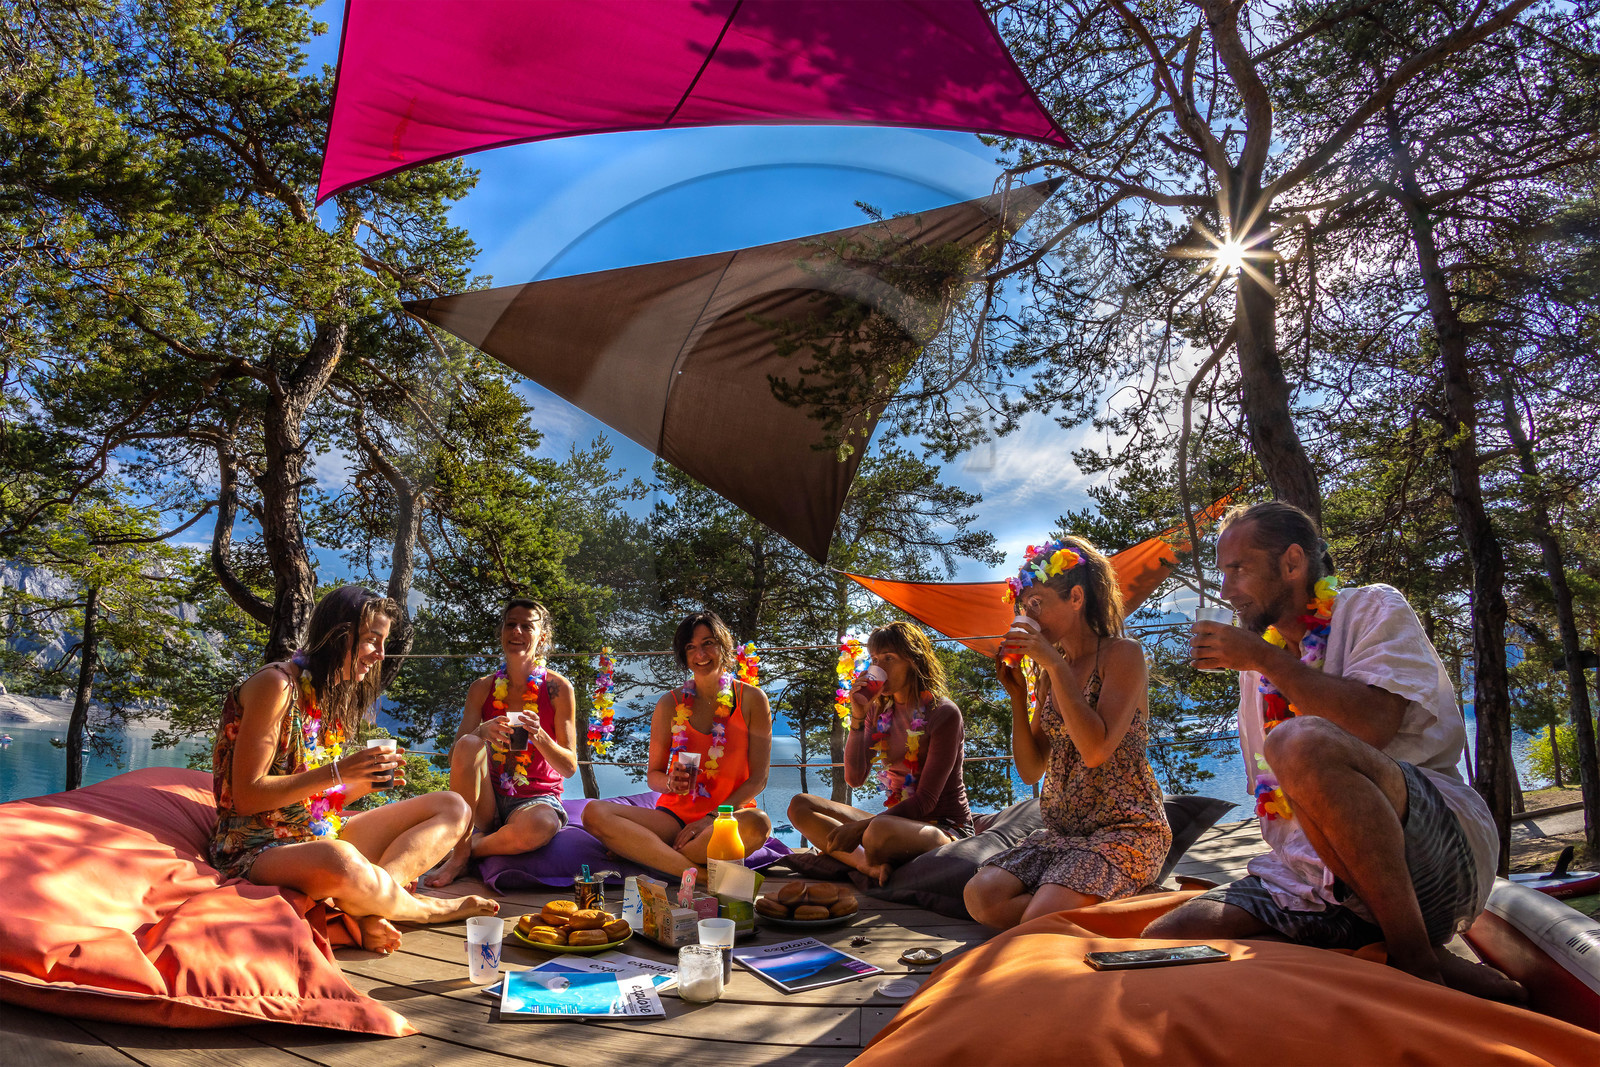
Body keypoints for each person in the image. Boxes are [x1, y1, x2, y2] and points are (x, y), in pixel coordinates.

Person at [1143, 502, 1515, 998]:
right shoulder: (1261, 668)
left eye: (1238, 570)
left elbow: (1372, 724)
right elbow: (1278, 796)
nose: (1227, 591)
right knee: (1164, 941)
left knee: (1298, 740)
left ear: (1292, 563)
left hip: (1431, 852)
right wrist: (1264, 661)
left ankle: (1418, 966)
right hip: (1313, 877)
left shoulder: (1371, 608)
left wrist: (1261, 657)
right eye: (1223, 573)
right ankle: (1420, 957)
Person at [209, 585, 496, 954]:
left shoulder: (331, 692)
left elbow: (318, 802)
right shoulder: (276, 685)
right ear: (340, 634)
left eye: (383, 642)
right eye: (372, 640)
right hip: (256, 847)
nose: (380, 654)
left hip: (312, 833)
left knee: (453, 807)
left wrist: (361, 783)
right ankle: (426, 910)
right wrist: (337, 771)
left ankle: (375, 905)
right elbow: (248, 796)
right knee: (340, 859)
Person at [963, 537, 1171, 928]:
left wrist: (1055, 666)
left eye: (1037, 604)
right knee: (981, 897)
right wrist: (1018, 698)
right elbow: (1031, 770)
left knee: (1041, 918)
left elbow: (1096, 750)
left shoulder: (1122, 655)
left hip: (1125, 830)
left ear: (1076, 597)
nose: (1030, 616)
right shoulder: (1047, 674)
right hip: (1064, 834)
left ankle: (1066, 913)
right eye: (1026, 608)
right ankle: (1102, 909)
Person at [583, 611, 773, 875]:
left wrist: (710, 819)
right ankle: (700, 874)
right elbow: (654, 776)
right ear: (683, 656)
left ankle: (653, 854)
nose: (701, 654)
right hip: (673, 820)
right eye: (690, 647)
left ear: (724, 646)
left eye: (708, 643)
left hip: (728, 818)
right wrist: (671, 783)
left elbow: (758, 780)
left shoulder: (752, 699)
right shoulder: (669, 703)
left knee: (759, 823)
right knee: (593, 812)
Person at [788, 621, 974, 885]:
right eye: (874, 659)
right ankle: (868, 866)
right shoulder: (879, 710)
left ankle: (864, 854)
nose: (879, 667)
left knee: (877, 833)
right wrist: (858, 715)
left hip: (943, 828)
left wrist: (861, 828)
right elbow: (854, 778)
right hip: (895, 823)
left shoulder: (943, 713)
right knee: (800, 805)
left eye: (889, 658)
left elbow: (926, 802)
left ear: (914, 661)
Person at [423, 598, 579, 888]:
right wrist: (482, 732)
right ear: (502, 632)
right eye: (511, 624)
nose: (517, 631)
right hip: (490, 800)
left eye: (527, 626)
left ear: (541, 636)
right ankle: (461, 854)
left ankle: (464, 850)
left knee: (542, 826)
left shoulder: (558, 688)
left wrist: (539, 735)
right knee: (469, 742)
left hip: (535, 801)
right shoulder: (482, 688)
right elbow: (456, 757)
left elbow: (569, 767)